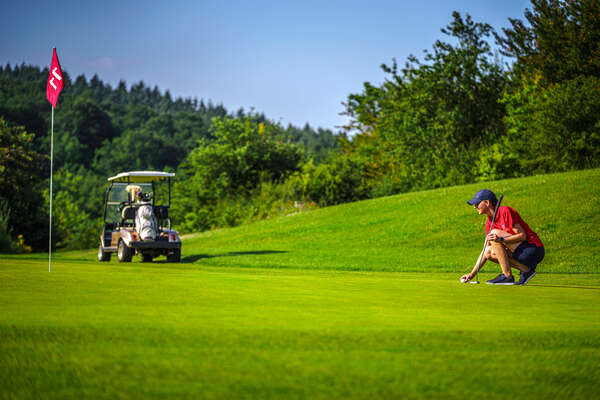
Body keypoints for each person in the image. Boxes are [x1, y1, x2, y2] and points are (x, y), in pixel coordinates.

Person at [461, 189, 545, 285]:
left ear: (487, 203)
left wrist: (501, 239)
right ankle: (525, 270)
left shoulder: (505, 211)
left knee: (494, 234)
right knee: (489, 252)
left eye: (477, 203)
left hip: (533, 249)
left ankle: (507, 276)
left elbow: (522, 236)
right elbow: (485, 251)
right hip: (518, 253)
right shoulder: (489, 223)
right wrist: (472, 274)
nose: (475, 207)